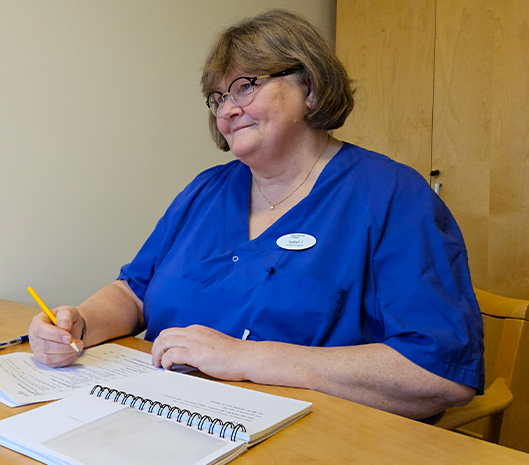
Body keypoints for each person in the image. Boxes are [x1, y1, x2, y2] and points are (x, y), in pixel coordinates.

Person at [28, 8, 483, 420]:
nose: (229, 109)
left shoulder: (391, 197)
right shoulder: (206, 190)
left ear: (311, 86)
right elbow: (134, 291)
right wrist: (79, 324)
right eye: (218, 97)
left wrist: (249, 358)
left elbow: (439, 370)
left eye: (246, 85)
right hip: (168, 417)